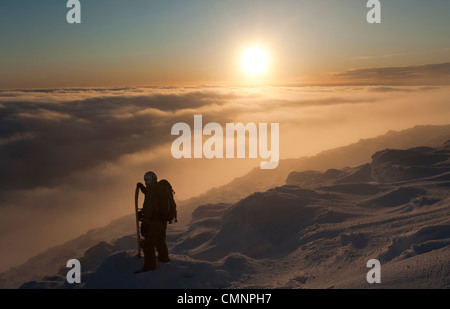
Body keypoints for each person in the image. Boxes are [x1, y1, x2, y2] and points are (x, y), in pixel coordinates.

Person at [136, 171, 170, 271]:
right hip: (162, 221)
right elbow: (150, 195)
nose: (146, 182)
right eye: (145, 180)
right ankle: (164, 261)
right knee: (160, 242)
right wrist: (143, 189)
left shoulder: (152, 193)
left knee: (148, 245)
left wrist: (144, 225)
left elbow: (149, 209)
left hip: (154, 222)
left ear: (152, 179)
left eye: (148, 180)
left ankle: (149, 268)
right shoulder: (158, 189)